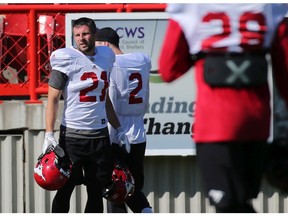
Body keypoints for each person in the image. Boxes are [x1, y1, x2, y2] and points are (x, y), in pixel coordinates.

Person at [159, 4, 288, 213]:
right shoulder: (270, 6)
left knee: (227, 206)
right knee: (241, 203)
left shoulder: (190, 8)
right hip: (256, 122)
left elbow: (168, 70)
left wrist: (202, 56)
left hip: (215, 123)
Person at [42, 17, 130, 213]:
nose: (81, 39)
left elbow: (103, 98)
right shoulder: (65, 58)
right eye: (77, 35)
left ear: (94, 34)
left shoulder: (106, 56)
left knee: (96, 191)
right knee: (65, 189)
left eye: (85, 34)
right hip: (73, 138)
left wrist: (118, 128)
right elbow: (53, 99)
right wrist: (49, 133)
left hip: (99, 137)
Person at [95, 27, 153, 213]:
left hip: (116, 133)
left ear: (105, 44)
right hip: (138, 133)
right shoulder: (142, 60)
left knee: (115, 191)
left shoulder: (110, 64)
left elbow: (108, 99)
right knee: (134, 188)